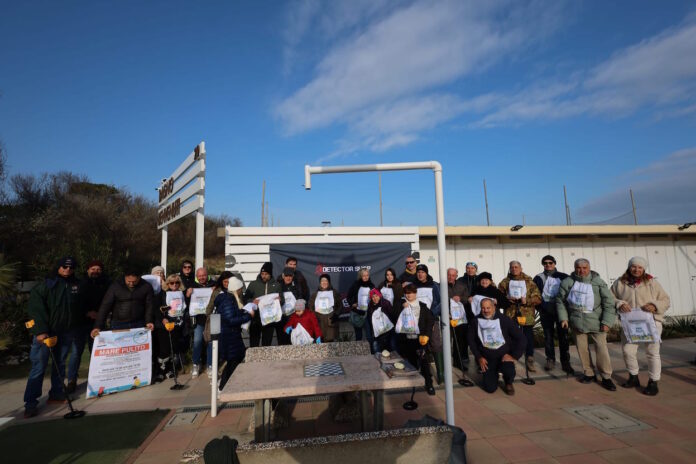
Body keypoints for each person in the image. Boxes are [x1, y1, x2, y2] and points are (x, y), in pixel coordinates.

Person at [24, 257, 81, 418]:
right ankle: (31, 403)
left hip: (64, 331)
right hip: (45, 333)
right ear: (58, 267)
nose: (68, 269)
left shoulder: (75, 285)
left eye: (71, 267)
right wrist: (41, 331)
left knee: (60, 364)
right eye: (64, 266)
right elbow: (36, 309)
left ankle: (56, 393)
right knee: (39, 366)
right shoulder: (46, 285)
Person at [611, 257, 671, 396]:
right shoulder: (620, 282)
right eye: (634, 266)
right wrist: (619, 303)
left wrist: (654, 305)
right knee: (628, 351)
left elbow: (665, 300)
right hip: (630, 323)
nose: (636, 270)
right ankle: (633, 377)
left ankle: (653, 382)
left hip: (651, 323)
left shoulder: (651, 282)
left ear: (644, 269)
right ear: (629, 267)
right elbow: (610, 297)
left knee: (652, 353)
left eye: (640, 267)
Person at [557, 258, 617, 391]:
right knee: (582, 349)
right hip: (577, 321)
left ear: (589, 268)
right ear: (574, 268)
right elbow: (560, 301)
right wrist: (564, 318)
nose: (581, 270)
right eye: (578, 268)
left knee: (601, 349)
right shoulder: (568, 282)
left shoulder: (598, 282)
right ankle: (589, 373)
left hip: (597, 321)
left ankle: (606, 376)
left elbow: (609, 303)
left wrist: (607, 321)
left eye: (584, 268)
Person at [67, 259, 109, 393]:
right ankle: (71, 380)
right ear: (88, 270)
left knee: (96, 352)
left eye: (98, 269)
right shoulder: (80, 284)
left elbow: (107, 302)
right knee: (76, 353)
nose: (96, 271)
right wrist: (87, 312)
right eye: (93, 269)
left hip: (97, 323)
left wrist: (100, 314)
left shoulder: (105, 284)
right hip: (80, 323)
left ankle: (96, 378)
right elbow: (74, 303)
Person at [468, 298, 525, 395]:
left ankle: (508, 382)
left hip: (504, 356)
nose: (486, 310)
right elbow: (471, 340)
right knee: (490, 388)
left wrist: (514, 356)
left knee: (508, 369)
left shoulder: (504, 320)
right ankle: (493, 376)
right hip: (487, 357)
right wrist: (479, 357)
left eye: (488, 308)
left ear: (494, 307)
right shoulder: (475, 321)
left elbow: (521, 338)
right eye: (483, 308)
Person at [498, 261, 541, 373]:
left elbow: (538, 298)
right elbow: (498, 298)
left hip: (526, 314)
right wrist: (507, 299)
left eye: (516, 267)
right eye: (512, 267)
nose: (514, 269)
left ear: (521, 268)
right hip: (511, 314)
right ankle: (510, 359)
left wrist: (527, 301)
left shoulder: (529, 282)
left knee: (527, 337)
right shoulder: (505, 282)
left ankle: (529, 359)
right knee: (510, 337)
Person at [213, 273, 253, 390]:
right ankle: (222, 386)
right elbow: (230, 319)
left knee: (236, 358)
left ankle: (226, 384)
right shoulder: (228, 301)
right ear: (236, 289)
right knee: (233, 360)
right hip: (229, 335)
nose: (241, 291)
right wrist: (248, 317)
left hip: (232, 334)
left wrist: (244, 312)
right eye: (240, 289)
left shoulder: (231, 299)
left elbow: (233, 314)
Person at [533, 255, 572, 373]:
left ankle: (565, 361)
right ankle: (550, 359)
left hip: (561, 311)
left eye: (550, 263)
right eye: (545, 263)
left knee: (563, 337)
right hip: (546, 311)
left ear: (554, 263)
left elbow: (571, 292)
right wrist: (540, 307)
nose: (548, 265)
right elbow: (534, 294)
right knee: (548, 337)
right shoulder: (538, 278)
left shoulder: (563, 276)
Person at [396, 283, 435, 395]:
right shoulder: (401, 304)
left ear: (416, 293)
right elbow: (394, 316)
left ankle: (429, 383)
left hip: (420, 339)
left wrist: (427, 335)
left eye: (411, 293)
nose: (409, 295)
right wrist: (402, 307)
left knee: (424, 361)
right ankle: (414, 383)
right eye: (407, 293)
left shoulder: (422, 306)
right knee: (411, 361)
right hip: (407, 339)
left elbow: (430, 321)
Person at [92, 269, 155, 337]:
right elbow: (105, 306)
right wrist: (98, 326)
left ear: (139, 278)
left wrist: (149, 321)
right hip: (118, 324)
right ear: (125, 277)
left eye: (134, 281)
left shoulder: (146, 286)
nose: (131, 284)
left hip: (139, 323)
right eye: (129, 281)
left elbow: (149, 305)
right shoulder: (115, 286)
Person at [412, 264, 444, 383]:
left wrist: (432, 313)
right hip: (417, 320)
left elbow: (441, 302)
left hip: (432, 319)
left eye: (422, 272)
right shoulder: (413, 285)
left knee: (435, 344)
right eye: (418, 272)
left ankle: (440, 372)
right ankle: (424, 372)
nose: (420, 274)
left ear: (426, 273)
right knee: (420, 345)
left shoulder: (434, 285)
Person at [153, 274, 187, 382]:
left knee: (173, 348)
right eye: (172, 283)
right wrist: (162, 318)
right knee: (164, 349)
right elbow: (156, 309)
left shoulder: (182, 293)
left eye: (177, 282)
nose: (174, 285)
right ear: (167, 284)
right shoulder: (162, 294)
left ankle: (170, 370)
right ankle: (160, 372)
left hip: (177, 325)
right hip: (164, 325)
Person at [243, 262, 284, 347]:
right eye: (262, 274)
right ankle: (253, 356)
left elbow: (282, 300)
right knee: (254, 343)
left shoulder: (277, 285)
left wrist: (280, 300)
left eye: (266, 274)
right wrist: (252, 300)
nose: (264, 276)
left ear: (270, 274)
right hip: (256, 318)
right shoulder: (253, 284)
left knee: (267, 345)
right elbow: (245, 299)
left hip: (269, 319)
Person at [187, 267, 216, 378]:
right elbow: (186, 302)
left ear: (207, 275)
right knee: (197, 341)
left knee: (211, 342)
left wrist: (216, 291)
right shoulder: (192, 285)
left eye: (203, 275)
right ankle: (196, 364)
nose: (202, 277)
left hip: (213, 318)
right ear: (197, 277)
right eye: (199, 276)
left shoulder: (214, 284)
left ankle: (210, 365)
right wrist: (188, 294)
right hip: (198, 319)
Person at [447, 267, 470, 367]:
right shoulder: (441, 286)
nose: (450, 277)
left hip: (459, 317)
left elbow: (467, 299)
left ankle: (458, 361)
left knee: (459, 340)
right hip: (447, 316)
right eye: (449, 275)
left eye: (453, 275)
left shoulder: (462, 285)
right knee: (447, 340)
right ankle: (446, 362)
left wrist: (460, 298)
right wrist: (450, 299)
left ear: (456, 276)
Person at [308, 273, 341, 342]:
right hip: (319, 323)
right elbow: (310, 306)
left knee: (330, 342)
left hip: (331, 322)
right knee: (320, 342)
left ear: (329, 282)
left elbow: (340, 305)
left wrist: (336, 315)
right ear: (320, 283)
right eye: (322, 281)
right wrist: (314, 316)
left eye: (326, 281)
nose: (324, 282)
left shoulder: (334, 293)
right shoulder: (315, 294)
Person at [347, 268, 375, 342]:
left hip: (368, 314)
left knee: (369, 335)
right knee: (358, 335)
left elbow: (376, 298)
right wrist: (352, 304)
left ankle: (371, 348)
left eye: (367, 275)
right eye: (364, 275)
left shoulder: (372, 286)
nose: (366, 277)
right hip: (357, 313)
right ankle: (358, 349)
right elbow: (348, 297)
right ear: (360, 276)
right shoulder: (356, 285)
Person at [366, 288, 397, 353]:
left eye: (376, 296)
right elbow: (370, 319)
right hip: (378, 333)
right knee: (379, 349)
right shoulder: (370, 306)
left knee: (392, 347)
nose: (375, 298)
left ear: (380, 295)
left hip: (389, 331)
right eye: (373, 297)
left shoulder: (385, 303)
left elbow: (392, 315)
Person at [278, 266, 302, 345]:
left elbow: (300, 298)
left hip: (293, 316)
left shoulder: (297, 286)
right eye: (286, 276)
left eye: (290, 276)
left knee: (293, 338)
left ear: (293, 276)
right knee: (282, 339)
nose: (288, 278)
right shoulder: (278, 286)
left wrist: (299, 312)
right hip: (281, 317)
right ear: (283, 276)